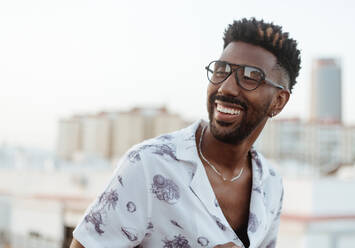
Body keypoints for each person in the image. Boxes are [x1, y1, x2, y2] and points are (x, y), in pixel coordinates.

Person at [70, 17, 301, 248]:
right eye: (221, 70)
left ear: (278, 101)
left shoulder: (271, 183)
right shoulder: (148, 164)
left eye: (251, 76)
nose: (226, 87)